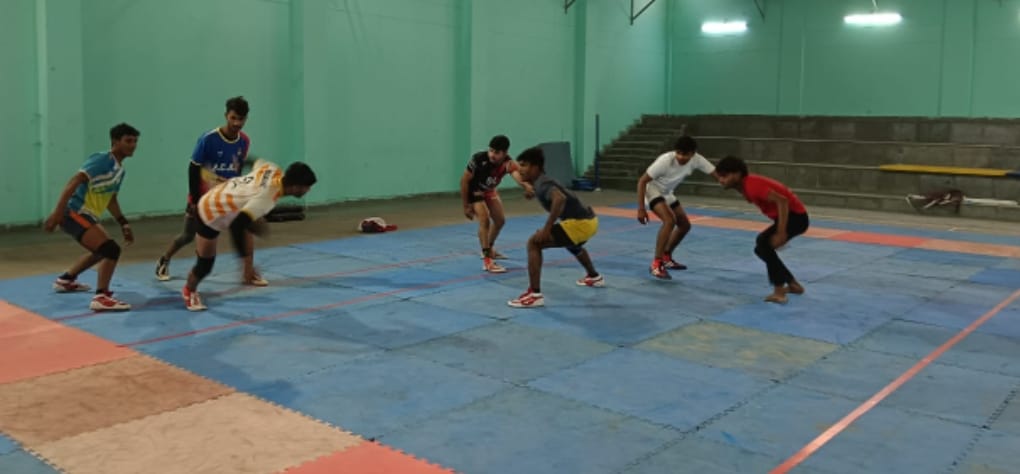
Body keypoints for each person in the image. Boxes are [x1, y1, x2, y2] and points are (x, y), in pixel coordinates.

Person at [182, 159, 317, 311]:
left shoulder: (272, 168)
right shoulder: (265, 199)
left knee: (252, 220)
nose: (308, 190)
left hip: (221, 196)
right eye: (307, 187)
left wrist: (238, 175)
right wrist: (242, 258)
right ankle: (189, 291)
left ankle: (249, 272)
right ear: (296, 187)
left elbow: (251, 161)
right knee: (205, 265)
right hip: (210, 213)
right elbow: (236, 226)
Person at [155, 96, 262, 284]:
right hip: (204, 199)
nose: (237, 123)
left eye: (241, 119)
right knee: (188, 235)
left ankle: (248, 273)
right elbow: (193, 169)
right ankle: (165, 259)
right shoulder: (208, 139)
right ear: (226, 115)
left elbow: (237, 169)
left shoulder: (244, 141)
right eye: (233, 118)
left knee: (245, 227)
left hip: (227, 198)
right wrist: (194, 199)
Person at [43, 123, 141, 311]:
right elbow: (73, 182)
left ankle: (65, 280)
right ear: (115, 142)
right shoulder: (102, 160)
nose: (133, 145)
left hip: (88, 216)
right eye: (128, 141)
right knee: (110, 249)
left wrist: (123, 223)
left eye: (135, 141)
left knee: (101, 250)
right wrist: (57, 213)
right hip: (74, 213)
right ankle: (101, 297)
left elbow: (111, 199)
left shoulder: (120, 170)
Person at [507, 147, 603, 308]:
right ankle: (594, 277)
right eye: (519, 165)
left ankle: (534, 295)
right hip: (590, 221)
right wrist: (531, 191)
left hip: (580, 223)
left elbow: (559, 198)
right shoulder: (540, 182)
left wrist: (547, 229)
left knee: (534, 243)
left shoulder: (543, 183)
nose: (520, 169)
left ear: (535, 167)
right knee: (572, 244)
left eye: (524, 165)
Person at [715, 156, 809, 304]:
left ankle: (779, 292)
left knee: (763, 243)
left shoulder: (752, 185)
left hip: (796, 217)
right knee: (761, 249)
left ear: (737, 174)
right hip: (792, 216)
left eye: (724, 176)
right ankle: (793, 284)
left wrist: (781, 232)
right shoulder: (745, 186)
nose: (721, 180)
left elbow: (783, 201)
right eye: (719, 177)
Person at [636, 136, 717, 279]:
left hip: (667, 193)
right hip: (652, 190)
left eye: (685, 154)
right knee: (669, 221)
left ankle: (666, 257)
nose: (681, 157)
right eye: (678, 153)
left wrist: (736, 183)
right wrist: (641, 209)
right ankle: (656, 263)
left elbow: (717, 174)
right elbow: (642, 181)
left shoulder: (697, 160)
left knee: (685, 225)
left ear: (692, 154)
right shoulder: (665, 161)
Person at [460, 134, 534, 274]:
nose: (492, 155)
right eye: (491, 150)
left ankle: (489, 248)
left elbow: (517, 175)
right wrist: (466, 205)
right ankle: (487, 260)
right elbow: (464, 181)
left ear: (504, 153)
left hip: (489, 191)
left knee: (500, 221)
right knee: (484, 220)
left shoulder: (508, 163)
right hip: (474, 191)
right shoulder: (478, 159)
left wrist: (526, 186)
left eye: (497, 152)